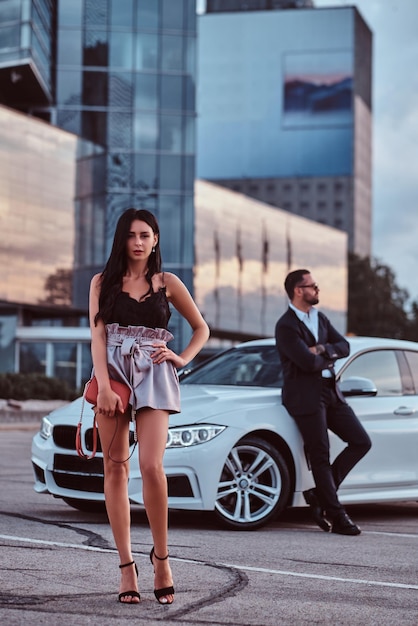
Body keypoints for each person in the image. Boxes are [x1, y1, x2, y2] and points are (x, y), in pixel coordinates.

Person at [89, 208, 210, 604]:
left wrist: (181, 358)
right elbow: (98, 339)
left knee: (151, 466)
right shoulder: (102, 282)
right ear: (121, 239)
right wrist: (104, 387)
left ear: (155, 239)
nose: (137, 242)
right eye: (130, 235)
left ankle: (161, 558)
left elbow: (201, 328)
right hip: (113, 375)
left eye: (145, 235)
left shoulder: (168, 283)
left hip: (155, 372)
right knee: (115, 466)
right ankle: (126, 566)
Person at [275, 269, 371, 536]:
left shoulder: (320, 318)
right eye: (312, 286)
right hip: (305, 395)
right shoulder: (286, 326)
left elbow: (344, 346)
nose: (317, 290)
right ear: (298, 290)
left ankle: (320, 493)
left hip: (330, 392)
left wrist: (321, 350)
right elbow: (307, 363)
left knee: (361, 441)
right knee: (320, 453)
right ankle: (337, 514)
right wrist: (325, 354)